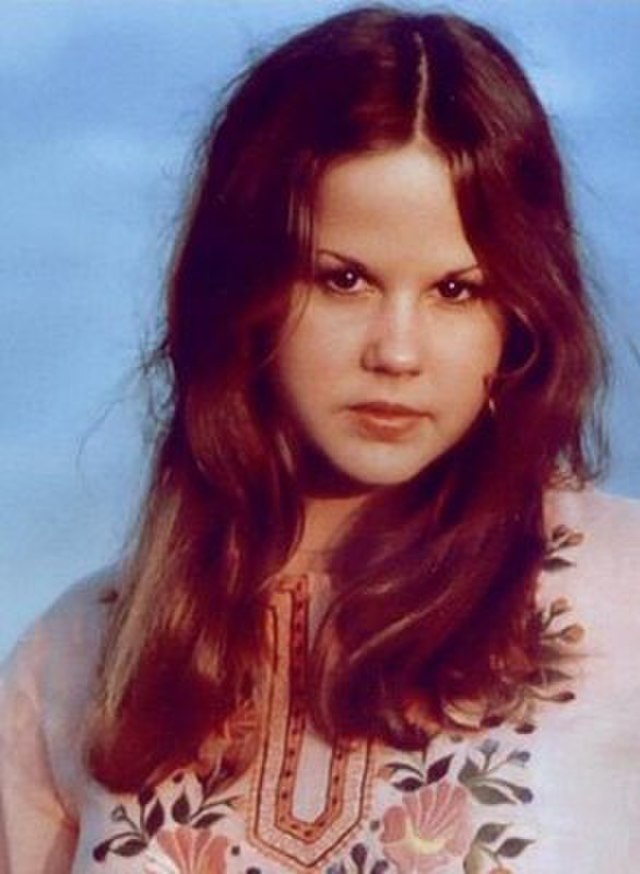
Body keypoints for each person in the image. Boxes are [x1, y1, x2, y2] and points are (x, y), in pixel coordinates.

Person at [1, 5, 639, 872]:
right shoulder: (79, 658)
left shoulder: (623, 597)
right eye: (343, 281)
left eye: (456, 291)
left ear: (521, 314)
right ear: (242, 291)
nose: (397, 352)